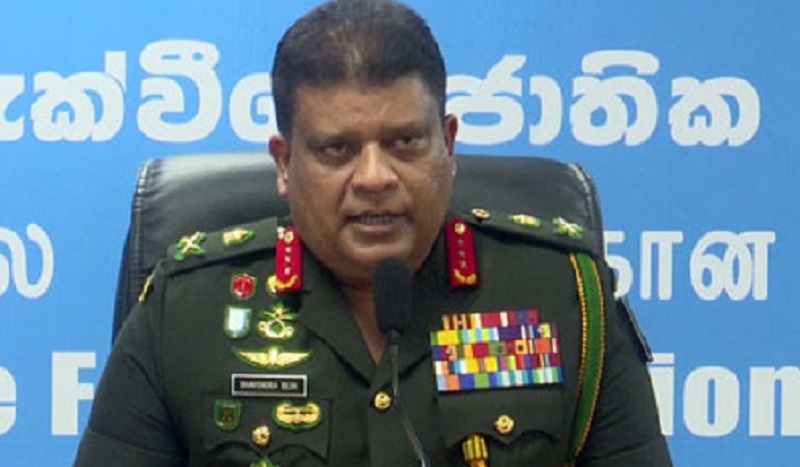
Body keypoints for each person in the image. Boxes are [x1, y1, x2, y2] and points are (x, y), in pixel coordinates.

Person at [75, 0, 672, 466]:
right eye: (337, 150)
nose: (375, 178)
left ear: (448, 145)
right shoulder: (186, 308)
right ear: (284, 163)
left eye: (405, 143)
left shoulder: (564, 294)